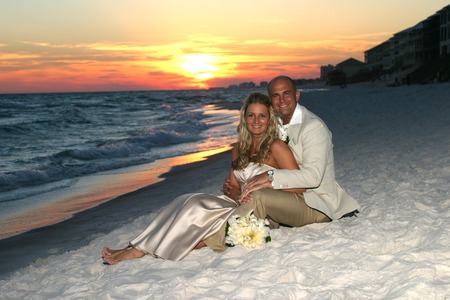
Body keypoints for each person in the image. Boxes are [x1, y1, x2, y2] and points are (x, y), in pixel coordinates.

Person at [102, 92, 302, 264]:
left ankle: (140, 250)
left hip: (261, 212)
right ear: (244, 118)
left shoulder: (277, 147)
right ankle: (138, 244)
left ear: (269, 119)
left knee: (200, 222)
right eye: (251, 115)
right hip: (237, 203)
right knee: (189, 200)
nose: (256, 121)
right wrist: (235, 192)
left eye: (262, 116)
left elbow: (298, 185)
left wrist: (265, 188)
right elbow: (232, 187)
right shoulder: (238, 149)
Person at [211, 76, 360, 250]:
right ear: (270, 100)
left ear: (297, 95)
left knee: (259, 196)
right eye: (275, 95)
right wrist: (239, 185)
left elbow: (313, 178)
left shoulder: (312, 127)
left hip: (316, 203)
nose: (281, 100)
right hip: (288, 198)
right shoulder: (276, 123)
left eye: (286, 94)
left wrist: (269, 177)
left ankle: (212, 241)